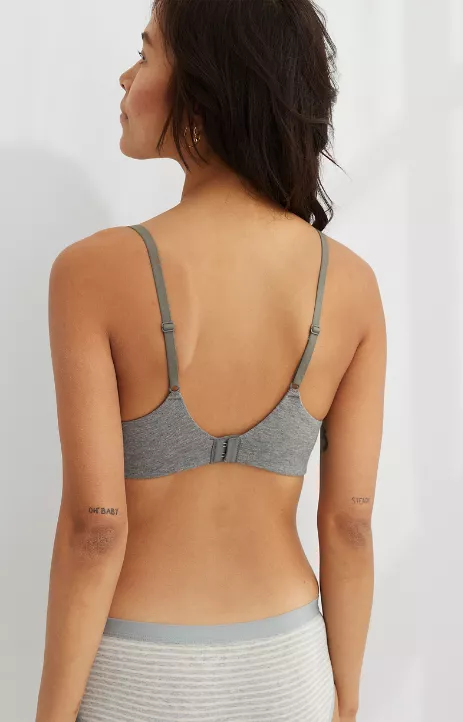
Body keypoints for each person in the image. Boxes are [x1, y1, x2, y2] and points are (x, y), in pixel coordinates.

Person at [35, 1, 386, 720]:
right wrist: (345, 699)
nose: (126, 76)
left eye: (146, 53)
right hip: (287, 665)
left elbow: (95, 530)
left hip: (140, 670)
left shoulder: (93, 271)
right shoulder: (350, 284)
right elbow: (349, 525)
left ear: (203, 86)